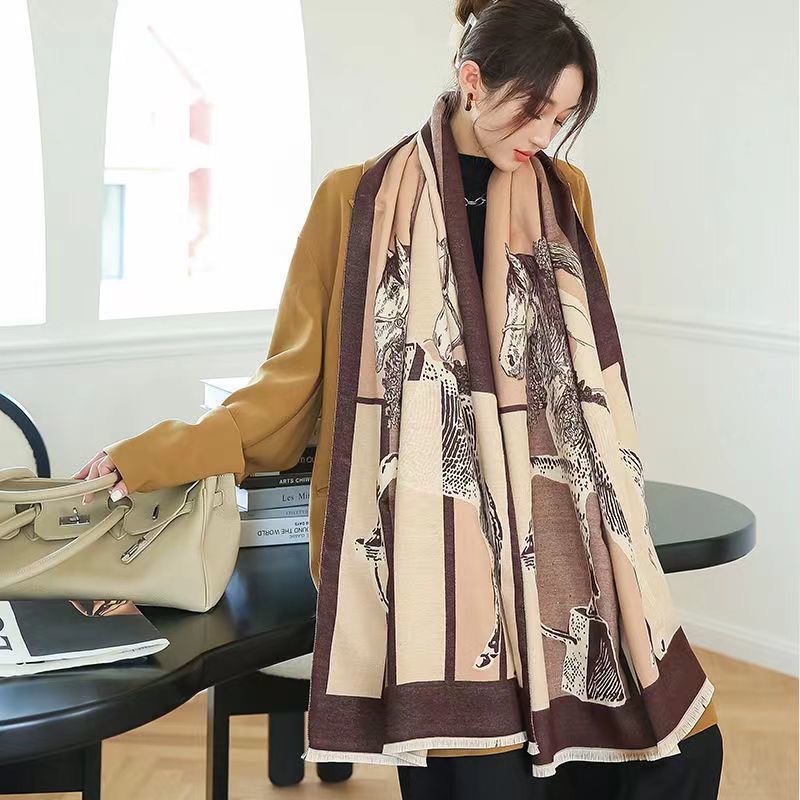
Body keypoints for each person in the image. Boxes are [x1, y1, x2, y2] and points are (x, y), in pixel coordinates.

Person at [74, 0, 724, 797]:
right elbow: (290, 391)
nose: (545, 134)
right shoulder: (355, 200)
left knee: (683, 747)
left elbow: (586, 375)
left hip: (555, 519)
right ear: (472, 81)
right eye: (535, 109)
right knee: (489, 778)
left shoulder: (566, 194)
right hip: (423, 534)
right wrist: (150, 456)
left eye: (562, 118)